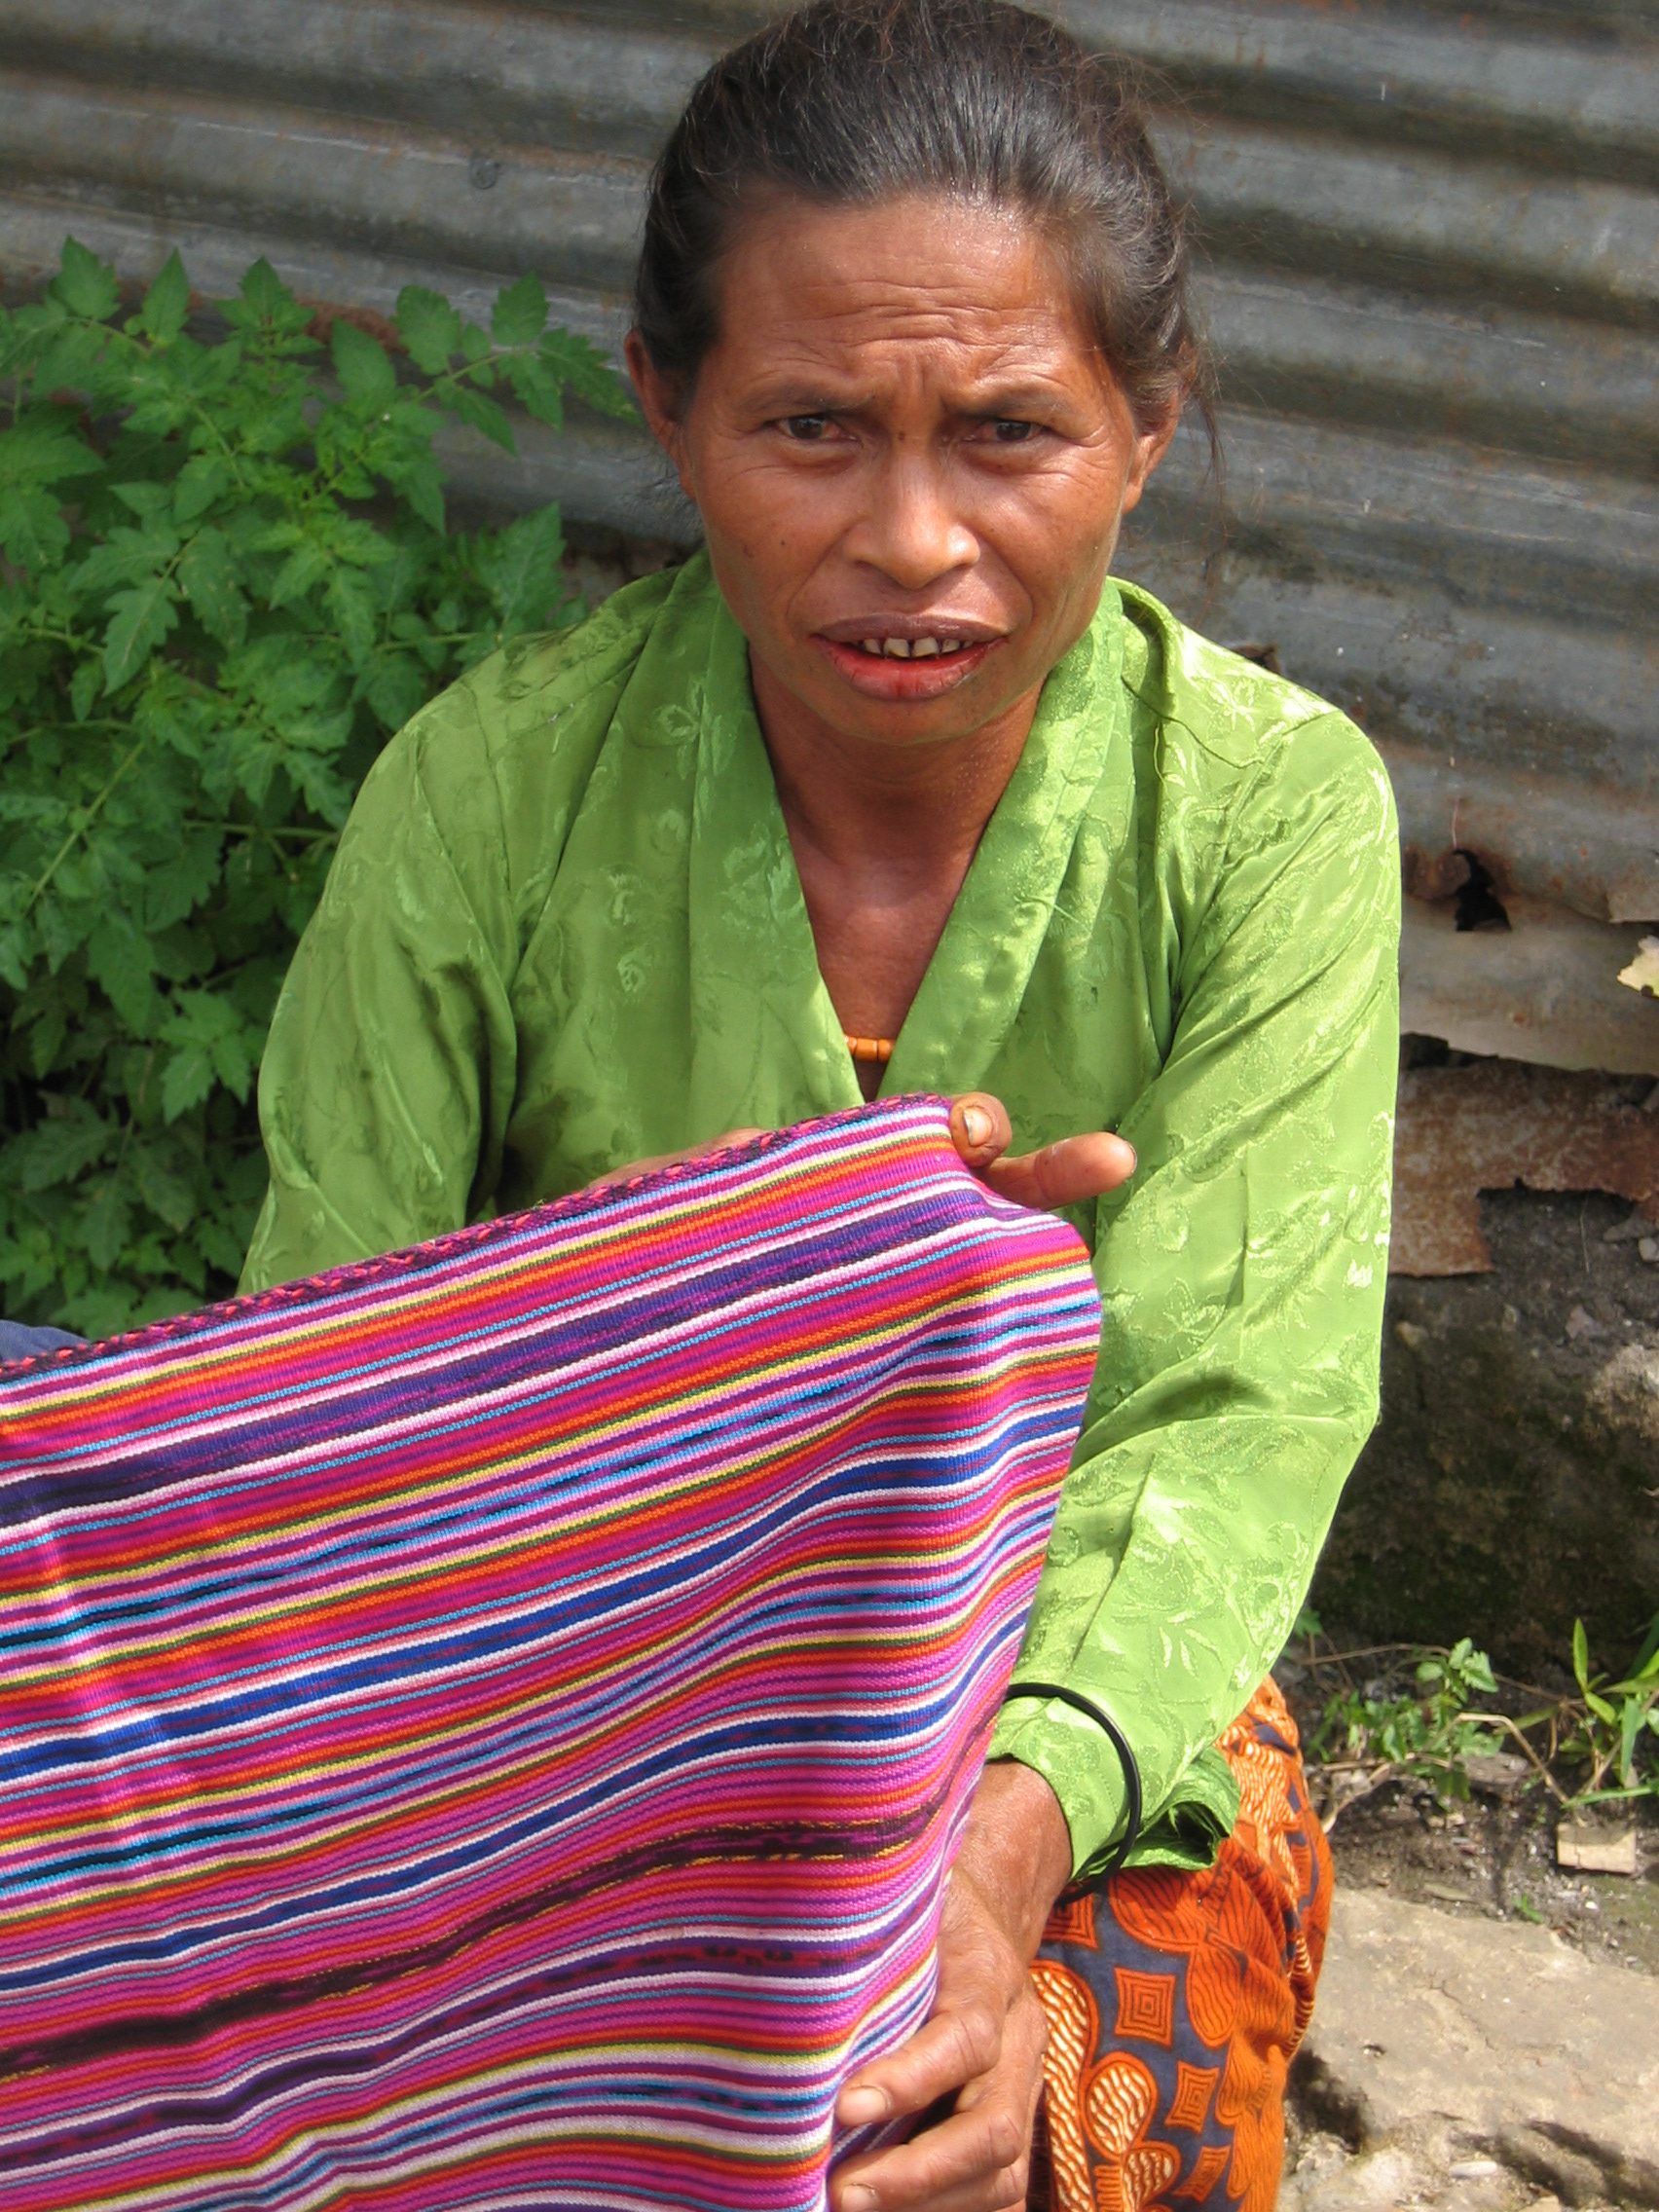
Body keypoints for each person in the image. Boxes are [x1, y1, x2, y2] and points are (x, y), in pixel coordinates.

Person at [240, 2, 1399, 2205]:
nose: (913, 537)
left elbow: (1229, 1424)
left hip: (1053, 1699)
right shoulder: (487, 795)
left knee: (1049, 2094)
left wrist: (980, 1875)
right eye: (810, 427)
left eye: (1009, 432)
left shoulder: (1265, 821)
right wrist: (776, 1287)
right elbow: (330, 1403)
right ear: (666, 411)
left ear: (1146, 427)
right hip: (566, 1671)